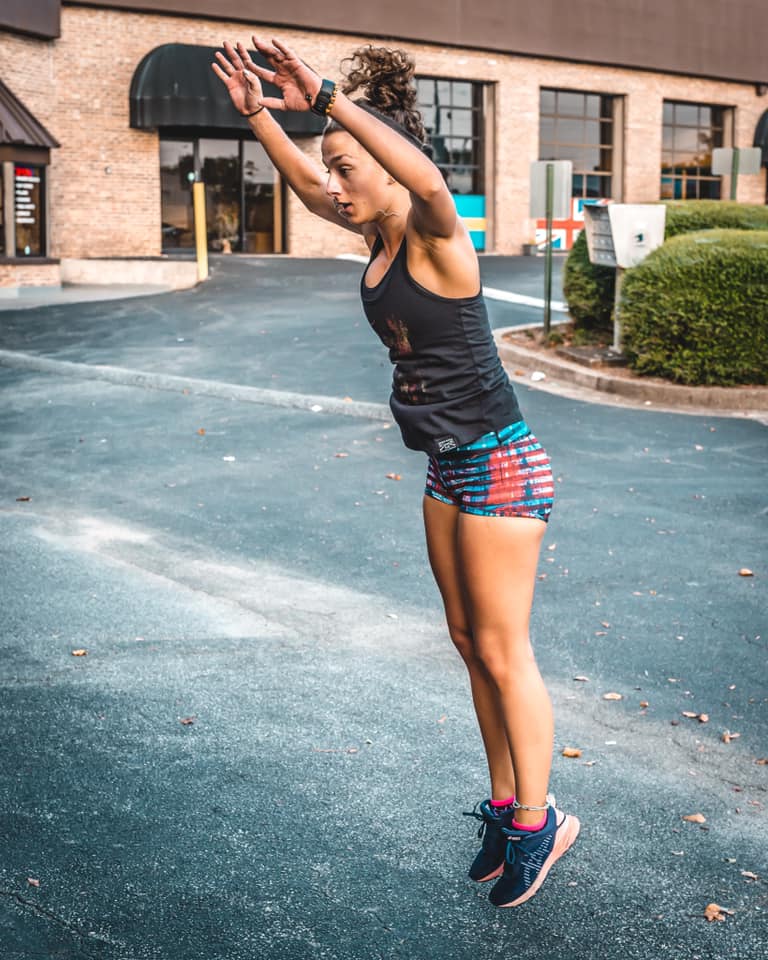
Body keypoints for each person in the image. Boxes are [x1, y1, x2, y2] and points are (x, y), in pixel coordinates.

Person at [212, 36, 579, 908]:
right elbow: (309, 188)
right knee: (467, 642)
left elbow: (429, 184)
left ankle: (542, 821)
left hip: (500, 466)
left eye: (347, 166)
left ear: (387, 163)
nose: (333, 182)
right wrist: (261, 117)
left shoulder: (437, 235)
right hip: (447, 469)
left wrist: (327, 99)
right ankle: (505, 805)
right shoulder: (373, 230)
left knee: (503, 649)